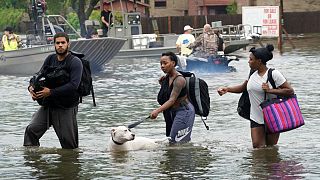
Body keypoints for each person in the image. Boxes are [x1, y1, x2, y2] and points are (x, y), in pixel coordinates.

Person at [217, 44, 294, 148]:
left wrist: (270, 90)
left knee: (271, 148)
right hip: (256, 117)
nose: (248, 61)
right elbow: (243, 88)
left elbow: (290, 91)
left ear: (259, 61)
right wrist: (227, 89)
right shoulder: (252, 73)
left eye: (251, 59)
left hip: (273, 116)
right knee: (258, 148)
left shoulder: (274, 74)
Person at [24, 32, 83, 149]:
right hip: (48, 104)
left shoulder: (75, 62)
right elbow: (38, 75)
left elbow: (74, 85)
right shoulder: (50, 59)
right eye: (58, 43)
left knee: (69, 144)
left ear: (68, 44)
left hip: (66, 107)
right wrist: (31, 87)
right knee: (31, 130)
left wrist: (51, 92)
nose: (60, 45)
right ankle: (32, 161)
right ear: (54, 45)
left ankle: (70, 164)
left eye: (63, 43)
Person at [151, 51, 195, 144]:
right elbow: (167, 95)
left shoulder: (179, 79)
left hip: (184, 111)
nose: (162, 66)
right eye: (161, 63)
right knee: (171, 139)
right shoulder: (166, 78)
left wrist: (157, 111)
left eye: (165, 63)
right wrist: (162, 85)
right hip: (171, 111)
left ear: (173, 63)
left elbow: (171, 100)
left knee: (177, 141)